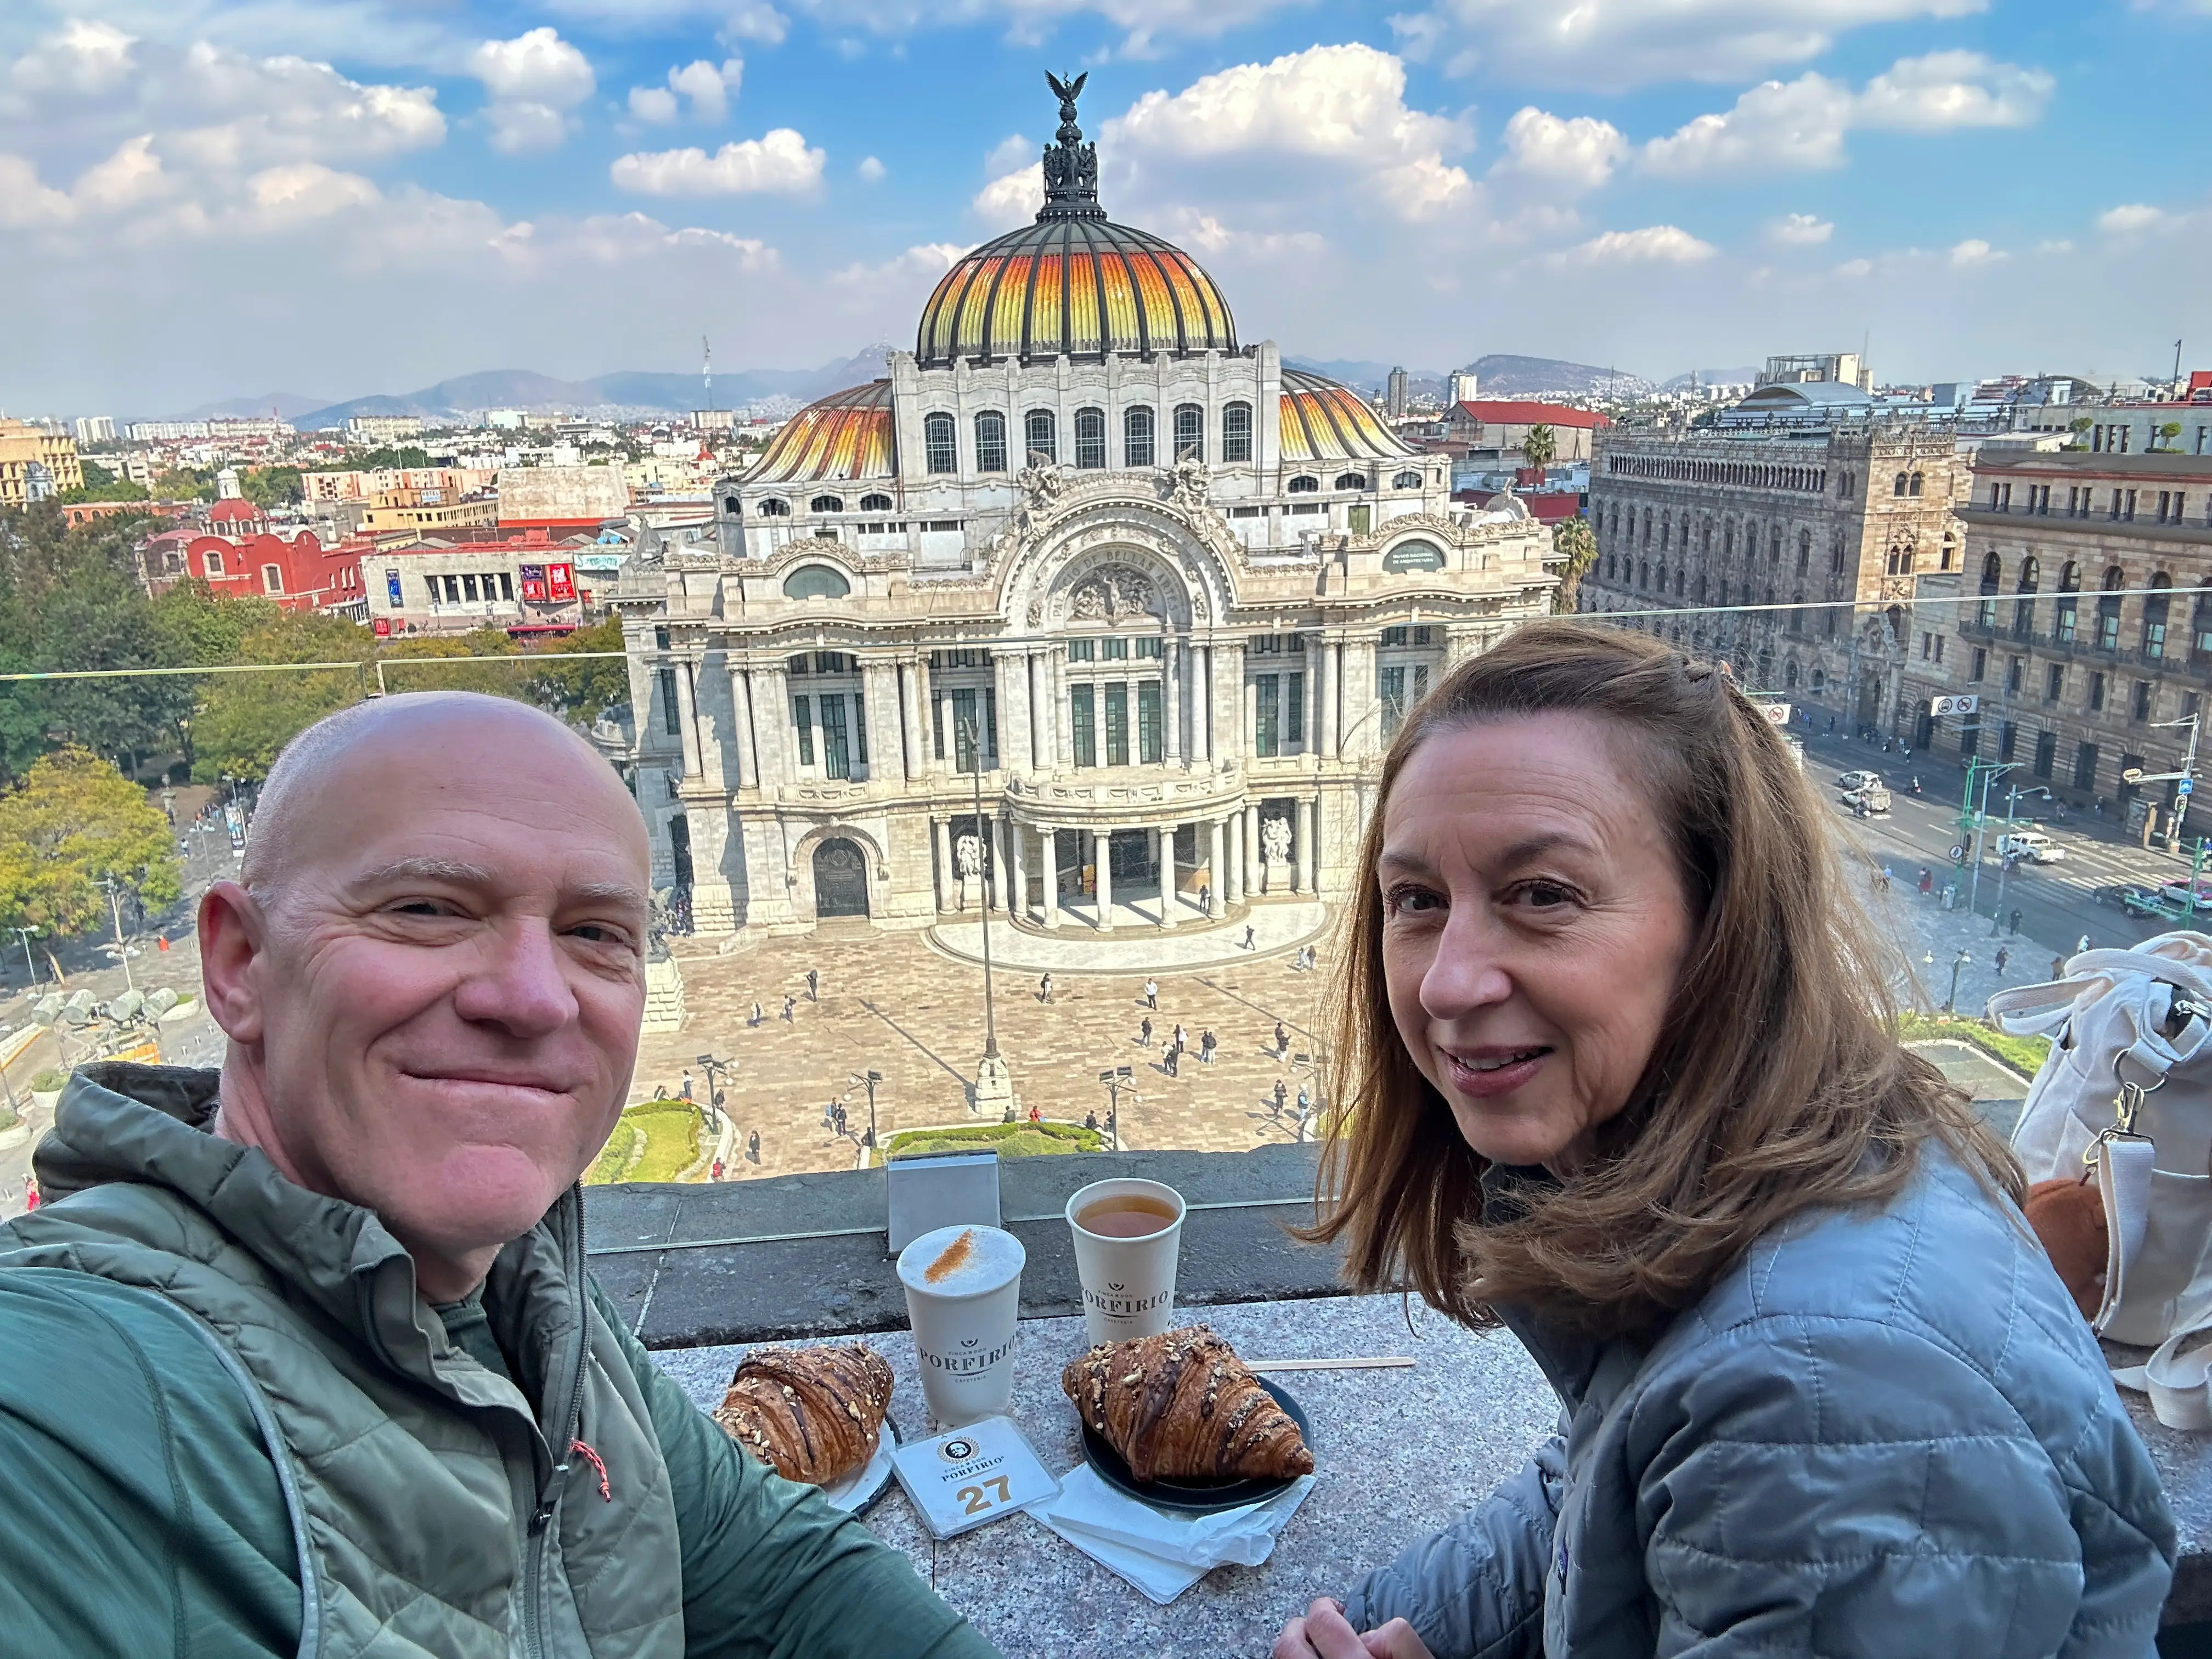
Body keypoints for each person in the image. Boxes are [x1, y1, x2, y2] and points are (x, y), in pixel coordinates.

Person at [0, 693, 996, 1658]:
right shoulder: (75, 1395)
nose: (531, 999)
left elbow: (772, 1576)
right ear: (239, 963)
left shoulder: (530, 1291)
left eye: (595, 932)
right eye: (428, 908)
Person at [1272, 625, 2171, 1659]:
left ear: (1722, 927)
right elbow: (1595, 1502)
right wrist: (1395, 1627)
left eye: (1544, 895)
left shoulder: (1821, 1392)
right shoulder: (1756, 1162)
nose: (1445, 982)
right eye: (1417, 900)